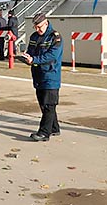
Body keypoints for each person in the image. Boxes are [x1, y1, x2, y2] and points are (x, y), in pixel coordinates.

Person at [23, 13, 63, 142]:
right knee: (43, 103)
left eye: (39, 27)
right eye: (35, 27)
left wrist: (34, 59)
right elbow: (31, 50)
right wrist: (26, 56)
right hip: (38, 74)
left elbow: (52, 55)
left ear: (46, 23)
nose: (37, 30)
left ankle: (44, 133)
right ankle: (54, 127)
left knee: (49, 105)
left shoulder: (55, 37)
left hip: (51, 75)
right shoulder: (34, 36)